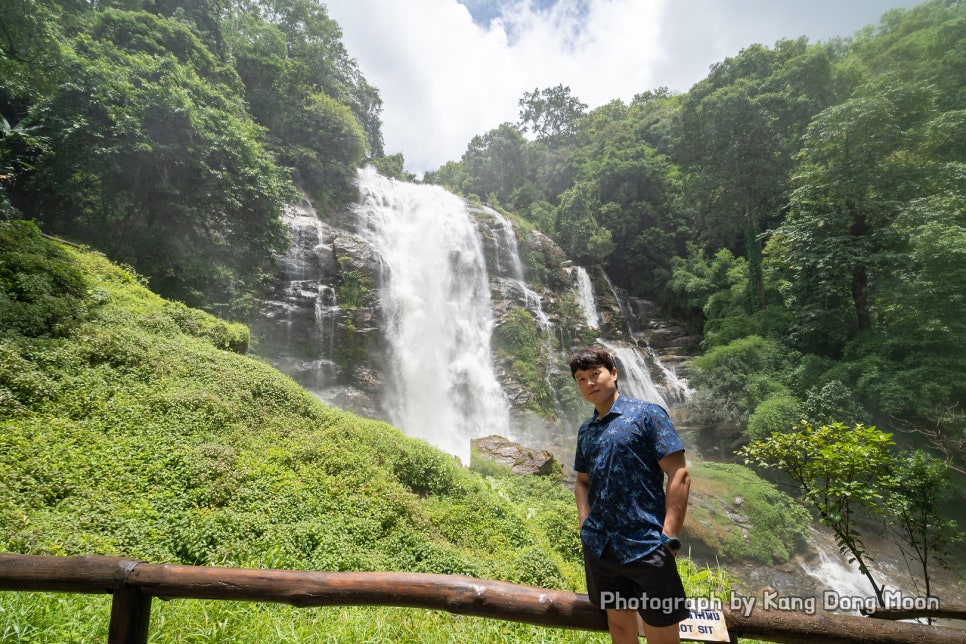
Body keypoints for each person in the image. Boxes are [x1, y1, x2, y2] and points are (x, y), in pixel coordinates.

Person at [569, 345, 691, 644]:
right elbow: (582, 481)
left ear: (613, 373)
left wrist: (669, 538)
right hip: (602, 550)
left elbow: (680, 474)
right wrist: (585, 523)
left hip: (647, 548)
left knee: (661, 632)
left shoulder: (647, 415)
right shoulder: (586, 431)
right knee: (620, 628)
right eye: (581, 378)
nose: (589, 383)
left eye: (595, 374)